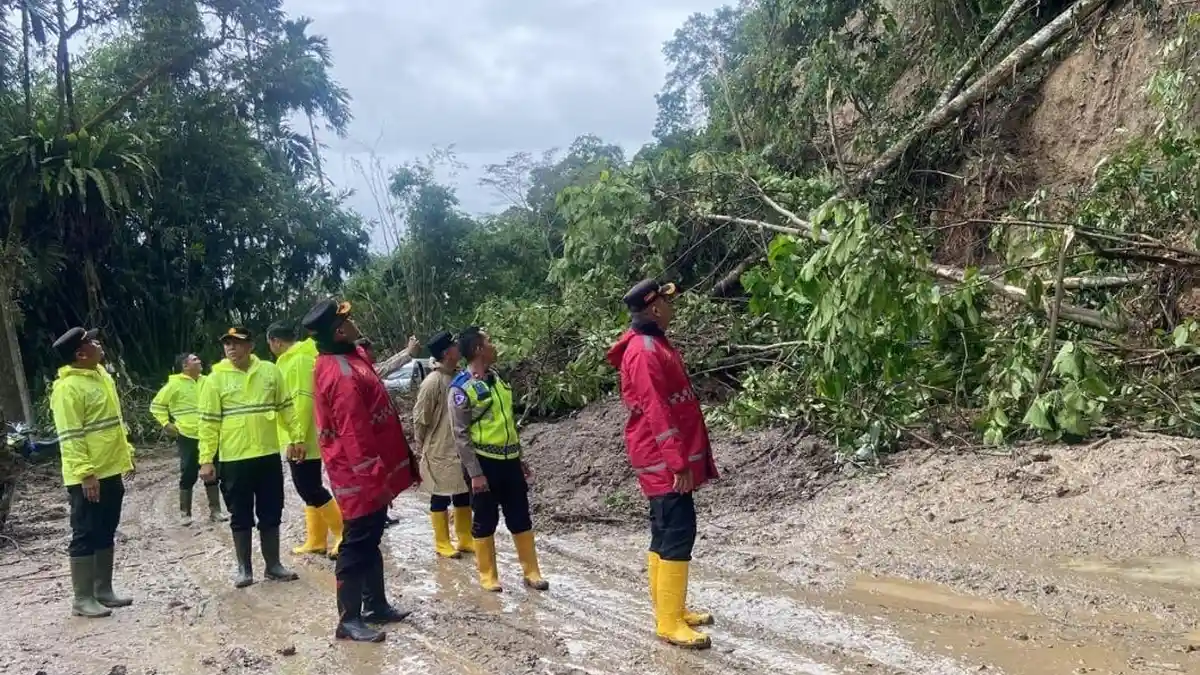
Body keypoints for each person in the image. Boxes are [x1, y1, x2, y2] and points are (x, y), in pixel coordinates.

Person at [607, 280, 720, 650]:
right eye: (669, 303)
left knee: (665, 530)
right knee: (677, 530)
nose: (673, 308)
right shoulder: (643, 350)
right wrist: (678, 462)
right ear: (654, 308)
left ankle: (670, 609)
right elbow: (657, 410)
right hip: (660, 459)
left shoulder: (652, 343)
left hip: (661, 455)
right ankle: (668, 622)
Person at [302, 299, 419, 643]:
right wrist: (373, 481)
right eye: (348, 320)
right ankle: (348, 619)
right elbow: (354, 433)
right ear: (339, 331)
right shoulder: (341, 374)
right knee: (357, 541)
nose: (354, 322)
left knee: (370, 536)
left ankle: (375, 605)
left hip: (365, 472)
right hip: (357, 475)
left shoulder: (350, 358)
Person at [197, 326, 301, 588]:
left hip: (266, 455)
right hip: (234, 459)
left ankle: (273, 565)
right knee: (239, 513)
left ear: (250, 346)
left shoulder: (269, 371)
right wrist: (206, 459)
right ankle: (244, 568)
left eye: (237, 343)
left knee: (271, 510)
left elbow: (286, 407)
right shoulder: (215, 379)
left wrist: (296, 437)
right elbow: (208, 423)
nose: (231, 348)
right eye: (227, 343)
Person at [449, 326, 548, 593]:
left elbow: (508, 424)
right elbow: (460, 435)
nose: (494, 346)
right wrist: (475, 473)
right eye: (489, 342)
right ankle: (488, 575)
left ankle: (532, 571)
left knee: (520, 516)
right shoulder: (461, 388)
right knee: (485, 518)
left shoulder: (499, 381)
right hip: (483, 463)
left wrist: (520, 457)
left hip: (509, 460)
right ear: (479, 349)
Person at [50, 327, 135, 618]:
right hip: (87, 474)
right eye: (92, 342)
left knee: (106, 528)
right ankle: (82, 598)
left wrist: (127, 455)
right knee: (85, 531)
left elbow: (112, 423)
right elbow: (71, 435)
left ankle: (103, 590)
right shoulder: (67, 389)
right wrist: (86, 473)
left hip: (111, 468)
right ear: (80, 354)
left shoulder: (101, 376)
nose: (99, 344)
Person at [267, 321, 344, 558]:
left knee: (308, 487)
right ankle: (316, 539)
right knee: (308, 487)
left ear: (276, 341)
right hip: (301, 435)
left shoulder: (298, 361)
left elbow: (301, 401)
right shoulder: (293, 359)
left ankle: (343, 531)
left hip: (303, 437)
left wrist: (296, 437)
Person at [412, 332, 472, 559]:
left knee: (463, 492)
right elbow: (421, 418)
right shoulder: (433, 382)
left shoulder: (461, 377)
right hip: (439, 448)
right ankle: (442, 542)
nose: (459, 348)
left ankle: (465, 538)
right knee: (440, 495)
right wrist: (422, 445)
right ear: (447, 353)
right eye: (455, 346)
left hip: (460, 447)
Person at [150, 353, 227, 525]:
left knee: (213, 472)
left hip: (209, 433)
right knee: (188, 473)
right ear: (185, 366)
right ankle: (185, 513)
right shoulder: (174, 385)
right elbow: (156, 405)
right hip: (187, 435)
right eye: (194, 360)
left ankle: (215, 511)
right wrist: (165, 423)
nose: (199, 361)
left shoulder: (208, 381)